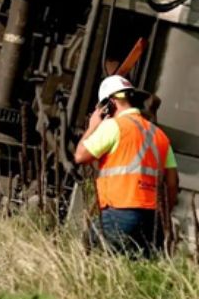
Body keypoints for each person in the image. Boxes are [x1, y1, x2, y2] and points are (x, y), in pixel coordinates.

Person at [74, 75, 178, 257]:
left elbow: (80, 156)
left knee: (91, 259)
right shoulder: (160, 136)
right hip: (153, 220)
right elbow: (172, 183)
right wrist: (163, 217)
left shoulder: (114, 127)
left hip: (120, 213)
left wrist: (92, 126)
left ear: (110, 104)